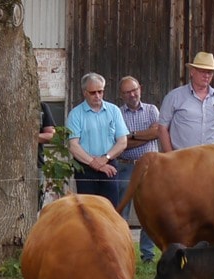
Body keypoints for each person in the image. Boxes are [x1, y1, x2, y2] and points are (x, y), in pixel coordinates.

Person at [113, 76, 165, 260]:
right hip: (126, 166)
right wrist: (143, 136)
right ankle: (122, 252)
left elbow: (157, 132)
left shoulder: (152, 110)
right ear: (122, 95)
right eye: (127, 92)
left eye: (134, 90)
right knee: (122, 211)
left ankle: (148, 255)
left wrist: (132, 135)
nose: (132, 95)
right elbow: (121, 143)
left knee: (149, 212)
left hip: (150, 168)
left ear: (140, 88)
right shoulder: (117, 113)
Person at [65, 72, 130, 205]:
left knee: (110, 208)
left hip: (109, 165)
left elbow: (122, 141)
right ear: (84, 92)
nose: (97, 96)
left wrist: (105, 159)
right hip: (85, 169)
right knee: (88, 210)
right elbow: (73, 145)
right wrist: (94, 163)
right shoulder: (75, 114)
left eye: (100, 91)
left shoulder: (114, 110)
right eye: (93, 92)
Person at [160, 51, 214, 151]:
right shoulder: (174, 97)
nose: (206, 75)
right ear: (192, 72)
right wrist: (170, 156)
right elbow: (162, 128)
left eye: (210, 72)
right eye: (202, 71)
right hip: (184, 159)